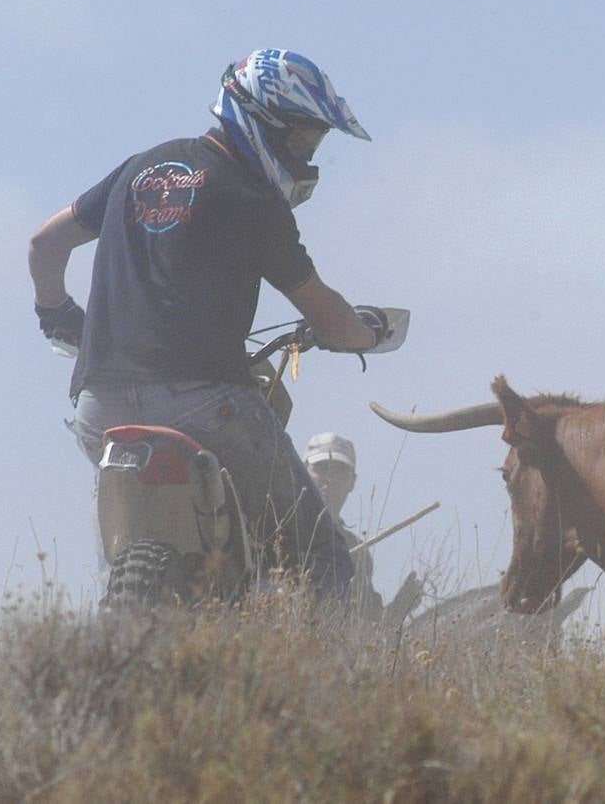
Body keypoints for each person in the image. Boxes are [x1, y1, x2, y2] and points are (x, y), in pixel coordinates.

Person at [28, 48, 387, 602]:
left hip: (98, 408)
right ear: (258, 120)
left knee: (119, 556)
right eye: (300, 140)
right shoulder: (254, 199)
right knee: (323, 558)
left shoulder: (139, 169)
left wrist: (57, 315)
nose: (305, 156)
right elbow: (329, 317)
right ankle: (334, 683)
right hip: (206, 407)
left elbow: (44, 243)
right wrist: (368, 332)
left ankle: (126, 616)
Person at [305, 432, 424, 623]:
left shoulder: (358, 553)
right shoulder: (278, 533)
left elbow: (369, 631)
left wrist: (400, 606)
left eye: (339, 471)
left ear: (352, 481)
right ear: (304, 473)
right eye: (321, 468)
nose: (329, 478)